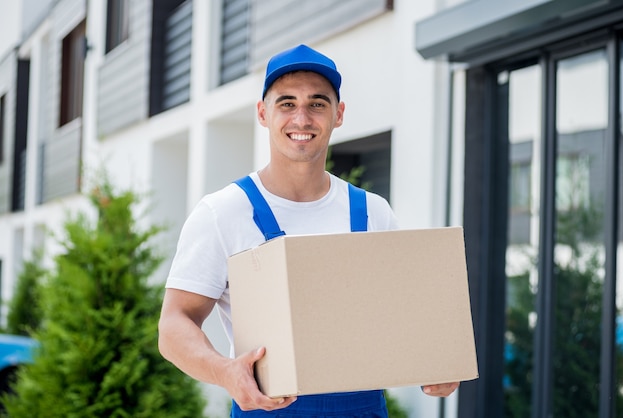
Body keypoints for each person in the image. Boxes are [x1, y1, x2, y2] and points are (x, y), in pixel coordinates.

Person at [158, 44, 460, 417]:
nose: (302, 118)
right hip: (268, 409)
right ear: (262, 113)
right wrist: (225, 372)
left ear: (339, 114)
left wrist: (437, 360)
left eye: (317, 103)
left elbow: (405, 317)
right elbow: (174, 325)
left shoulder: (371, 213)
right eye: (286, 103)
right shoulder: (224, 212)